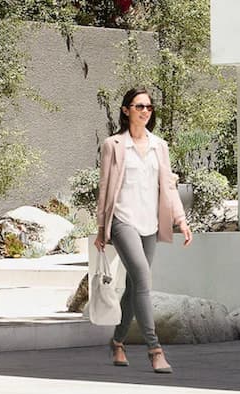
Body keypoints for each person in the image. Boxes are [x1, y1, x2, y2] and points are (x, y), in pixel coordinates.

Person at [93, 87, 193, 374]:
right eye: (139, 107)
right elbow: (104, 189)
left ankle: (117, 342)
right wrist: (101, 228)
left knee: (135, 286)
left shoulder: (159, 146)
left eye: (149, 107)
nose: (145, 111)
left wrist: (181, 220)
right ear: (126, 111)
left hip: (150, 223)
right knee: (144, 279)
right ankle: (155, 349)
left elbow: (169, 186)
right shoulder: (113, 145)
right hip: (123, 221)